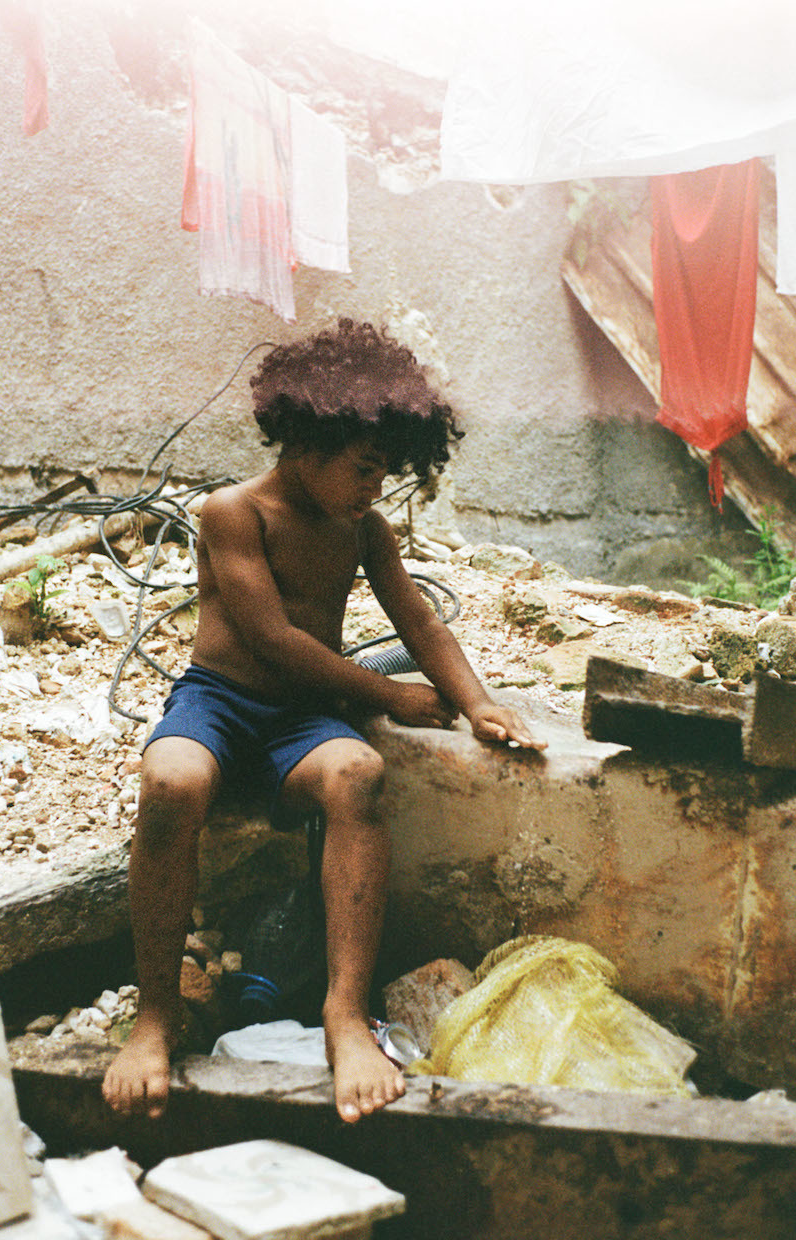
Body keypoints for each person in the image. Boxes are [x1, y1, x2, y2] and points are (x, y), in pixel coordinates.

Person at [102, 318, 545, 1125]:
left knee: (357, 774)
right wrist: (387, 695)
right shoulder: (233, 512)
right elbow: (272, 638)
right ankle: (156, 1013)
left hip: (299, 718)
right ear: (307, 440)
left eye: (387, 472)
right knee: (170, 782)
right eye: (365, 468)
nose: (375, 488)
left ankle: (344, 1013)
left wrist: (478, 702)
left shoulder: (361, 529)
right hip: (219, 702)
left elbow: (419, 621)